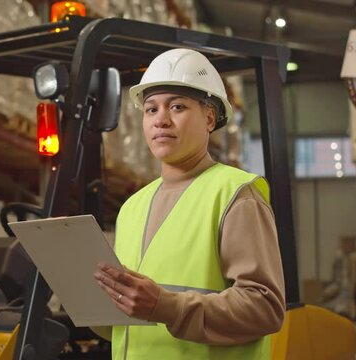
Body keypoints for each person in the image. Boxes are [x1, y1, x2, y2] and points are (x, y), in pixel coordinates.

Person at [92, 48, 286, 359]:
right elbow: (125, 321)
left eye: (177, 107)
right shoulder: (132, 207)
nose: (161, 121)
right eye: (151, 110)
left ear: (209, 118)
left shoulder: (234, 194)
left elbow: (265, 307)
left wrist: (166, 307)